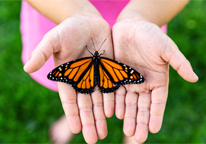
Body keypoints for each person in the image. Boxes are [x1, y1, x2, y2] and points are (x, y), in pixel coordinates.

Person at [22, 0, 198, 143]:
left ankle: (133, 130)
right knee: (70, 95)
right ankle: (75, 119)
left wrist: (142, 15)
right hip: (59, 11)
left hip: (145, 11)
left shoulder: (85, 60)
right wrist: (74, 12)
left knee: (93, 91)